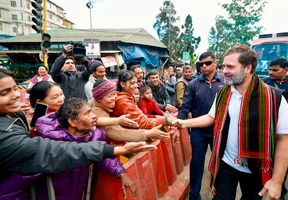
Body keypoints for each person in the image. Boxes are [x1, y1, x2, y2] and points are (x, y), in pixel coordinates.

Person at [0, 68, 156, 199]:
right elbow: (62, 151)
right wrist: (114, 148)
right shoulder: (45, 135)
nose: (15, 95)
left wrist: (120, 171)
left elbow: (95, 154)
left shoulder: (89, 133)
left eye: (15, 89)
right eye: (5, 92)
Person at [173, 44, 288, 200]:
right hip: (226, 163)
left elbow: (284, 140)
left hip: (256, 168)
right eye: (224, 66)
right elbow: (211, 117)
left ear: (247, 68)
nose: (224, 70)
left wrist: (277, 182)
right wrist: (184, 123)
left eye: (230, 66)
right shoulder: (224, 92)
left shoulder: (274, 98)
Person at [34, 98, 136, 199]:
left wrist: (121, 172)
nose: (94, 116)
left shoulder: (91, 136)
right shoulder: (50, 142)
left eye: (91, 111)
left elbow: (100, 155)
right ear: (73, 122)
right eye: (88, 113)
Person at [177, 52, 224, 200]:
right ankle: (194, 195)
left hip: (221, 131)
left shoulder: (225, 81)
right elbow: (185, 108)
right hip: (198, 131)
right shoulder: (194, 84)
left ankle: (217, 193)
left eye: (207, 63)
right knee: (197, 164)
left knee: (220, 164)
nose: (204, 66)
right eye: (201, 64)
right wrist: (178, 127)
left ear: (215, 62)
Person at [90, 79, 169, 142]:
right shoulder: (97, 111)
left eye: (114, 94)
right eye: (110, 96)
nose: (114, 98)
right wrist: (148, 133)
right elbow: (117, 132)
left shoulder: (108, 105)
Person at [263, 58, 288, 169]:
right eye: (269, 70)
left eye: (275, 70)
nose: (271, 73)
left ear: (286, 69)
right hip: (268, 118)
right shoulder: (263, 83)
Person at [112, 70, 176, 129]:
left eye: (136, 83)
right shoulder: (123, 101)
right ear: (122, 84)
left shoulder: (128, 97)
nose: (136, 85)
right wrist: (166, 120)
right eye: (132, 83)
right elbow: (142, 122)